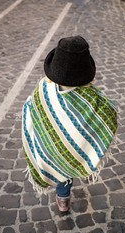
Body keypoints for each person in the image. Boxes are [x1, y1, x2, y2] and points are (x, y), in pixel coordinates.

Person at [22, 36, 118, 213]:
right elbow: (108, 111)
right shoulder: (90, 97)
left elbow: (31, 106)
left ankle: (63, 198)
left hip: (50, 147)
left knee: (61, 162)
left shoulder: (45, 87)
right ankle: (64, 197)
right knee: (67, 163)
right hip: (77, 146)